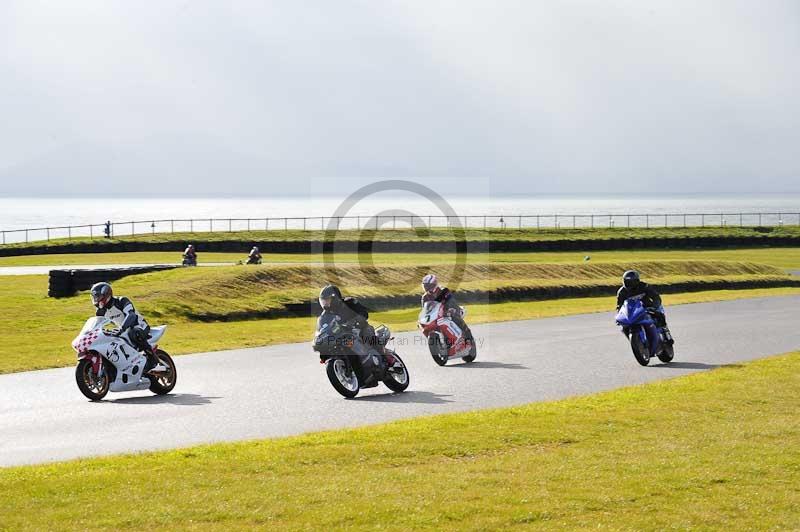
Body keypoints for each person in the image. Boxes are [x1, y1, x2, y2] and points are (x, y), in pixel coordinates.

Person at [318, 285, 390, 382]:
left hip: (361, 329)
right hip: (342, 337)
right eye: (323, 301)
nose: (325, 303)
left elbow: (364, 313)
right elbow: (322, 329)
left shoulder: (349, 302)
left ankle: (386, 359)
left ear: (335, 298)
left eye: (327, 300)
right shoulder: (324, 317)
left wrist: (354, 322)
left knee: (369, 338)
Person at [89, 282, 162, 370]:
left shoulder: (121, 301)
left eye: (98, 296)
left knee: (134, 332)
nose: (96, 299)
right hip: (123, 332)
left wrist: (122, 328)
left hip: (139, 325)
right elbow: (98, 324)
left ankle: (154, 361)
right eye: (95, 297)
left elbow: (131, 315)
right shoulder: (100, 311)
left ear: (106, 294)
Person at [616, 270, 673, 343]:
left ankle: (666, 333)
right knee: (624, 327)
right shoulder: (622, 292)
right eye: (627, 282)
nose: (629, 284)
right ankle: (636, 342)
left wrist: (655, 306)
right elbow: (620, 306)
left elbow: (655, 297)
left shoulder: (644, 286)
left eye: (631, 282)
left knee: (659, 315)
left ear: (636, 281)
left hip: (647, 307)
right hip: (633, 312)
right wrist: (620, 315)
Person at [420, 274, 474, 345]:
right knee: (424, 325)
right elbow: (425, 310)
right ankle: (436, 342)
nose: (427, 288)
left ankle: (468, 337)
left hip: (449, 311)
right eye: (425, 286)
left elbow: (452, 302)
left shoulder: (443, 291)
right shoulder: (425, 297)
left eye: (428, 286)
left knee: (455, 316)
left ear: (434, 284)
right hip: (436, 316)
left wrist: (451, 309)